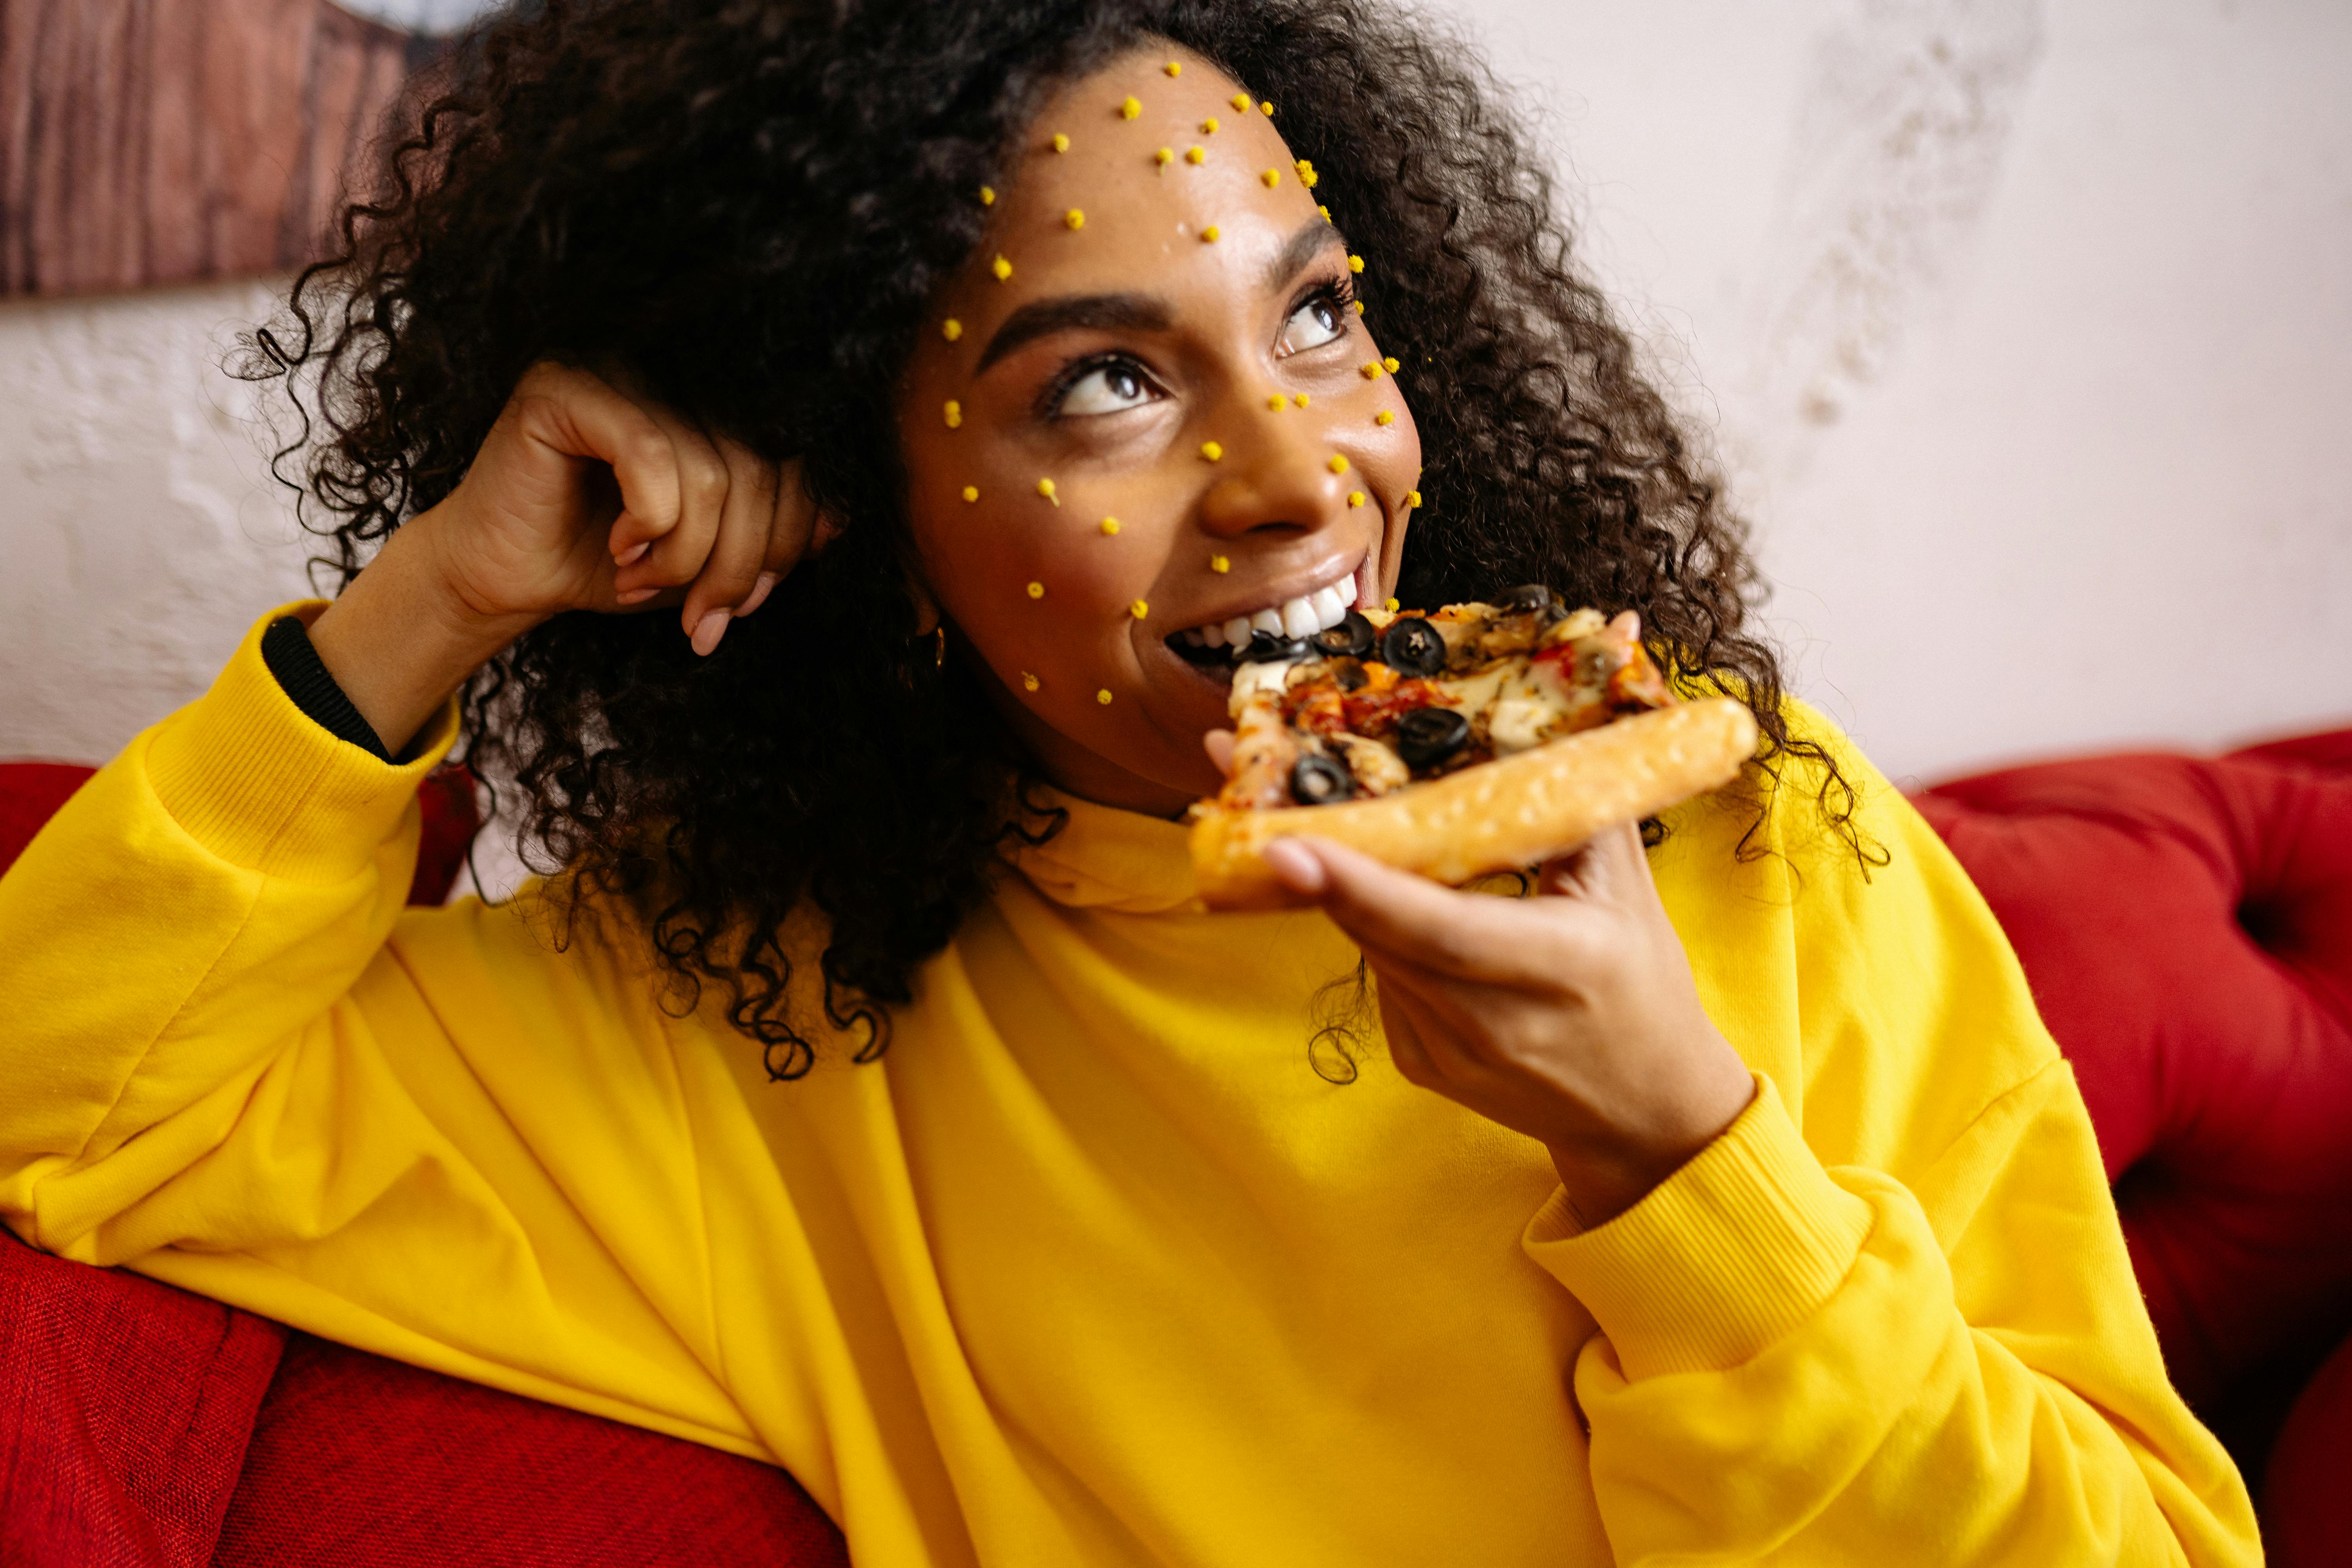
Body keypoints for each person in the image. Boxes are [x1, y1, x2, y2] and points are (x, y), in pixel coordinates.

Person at [0, 1, 2260, 1561]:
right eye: (1100, 389)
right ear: (865, 526)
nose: (1301, 477)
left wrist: (1687, 1160)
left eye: (1317, 318)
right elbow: (61, 1097)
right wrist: (439, 604)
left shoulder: (1750, 831)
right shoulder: (742, 1036)